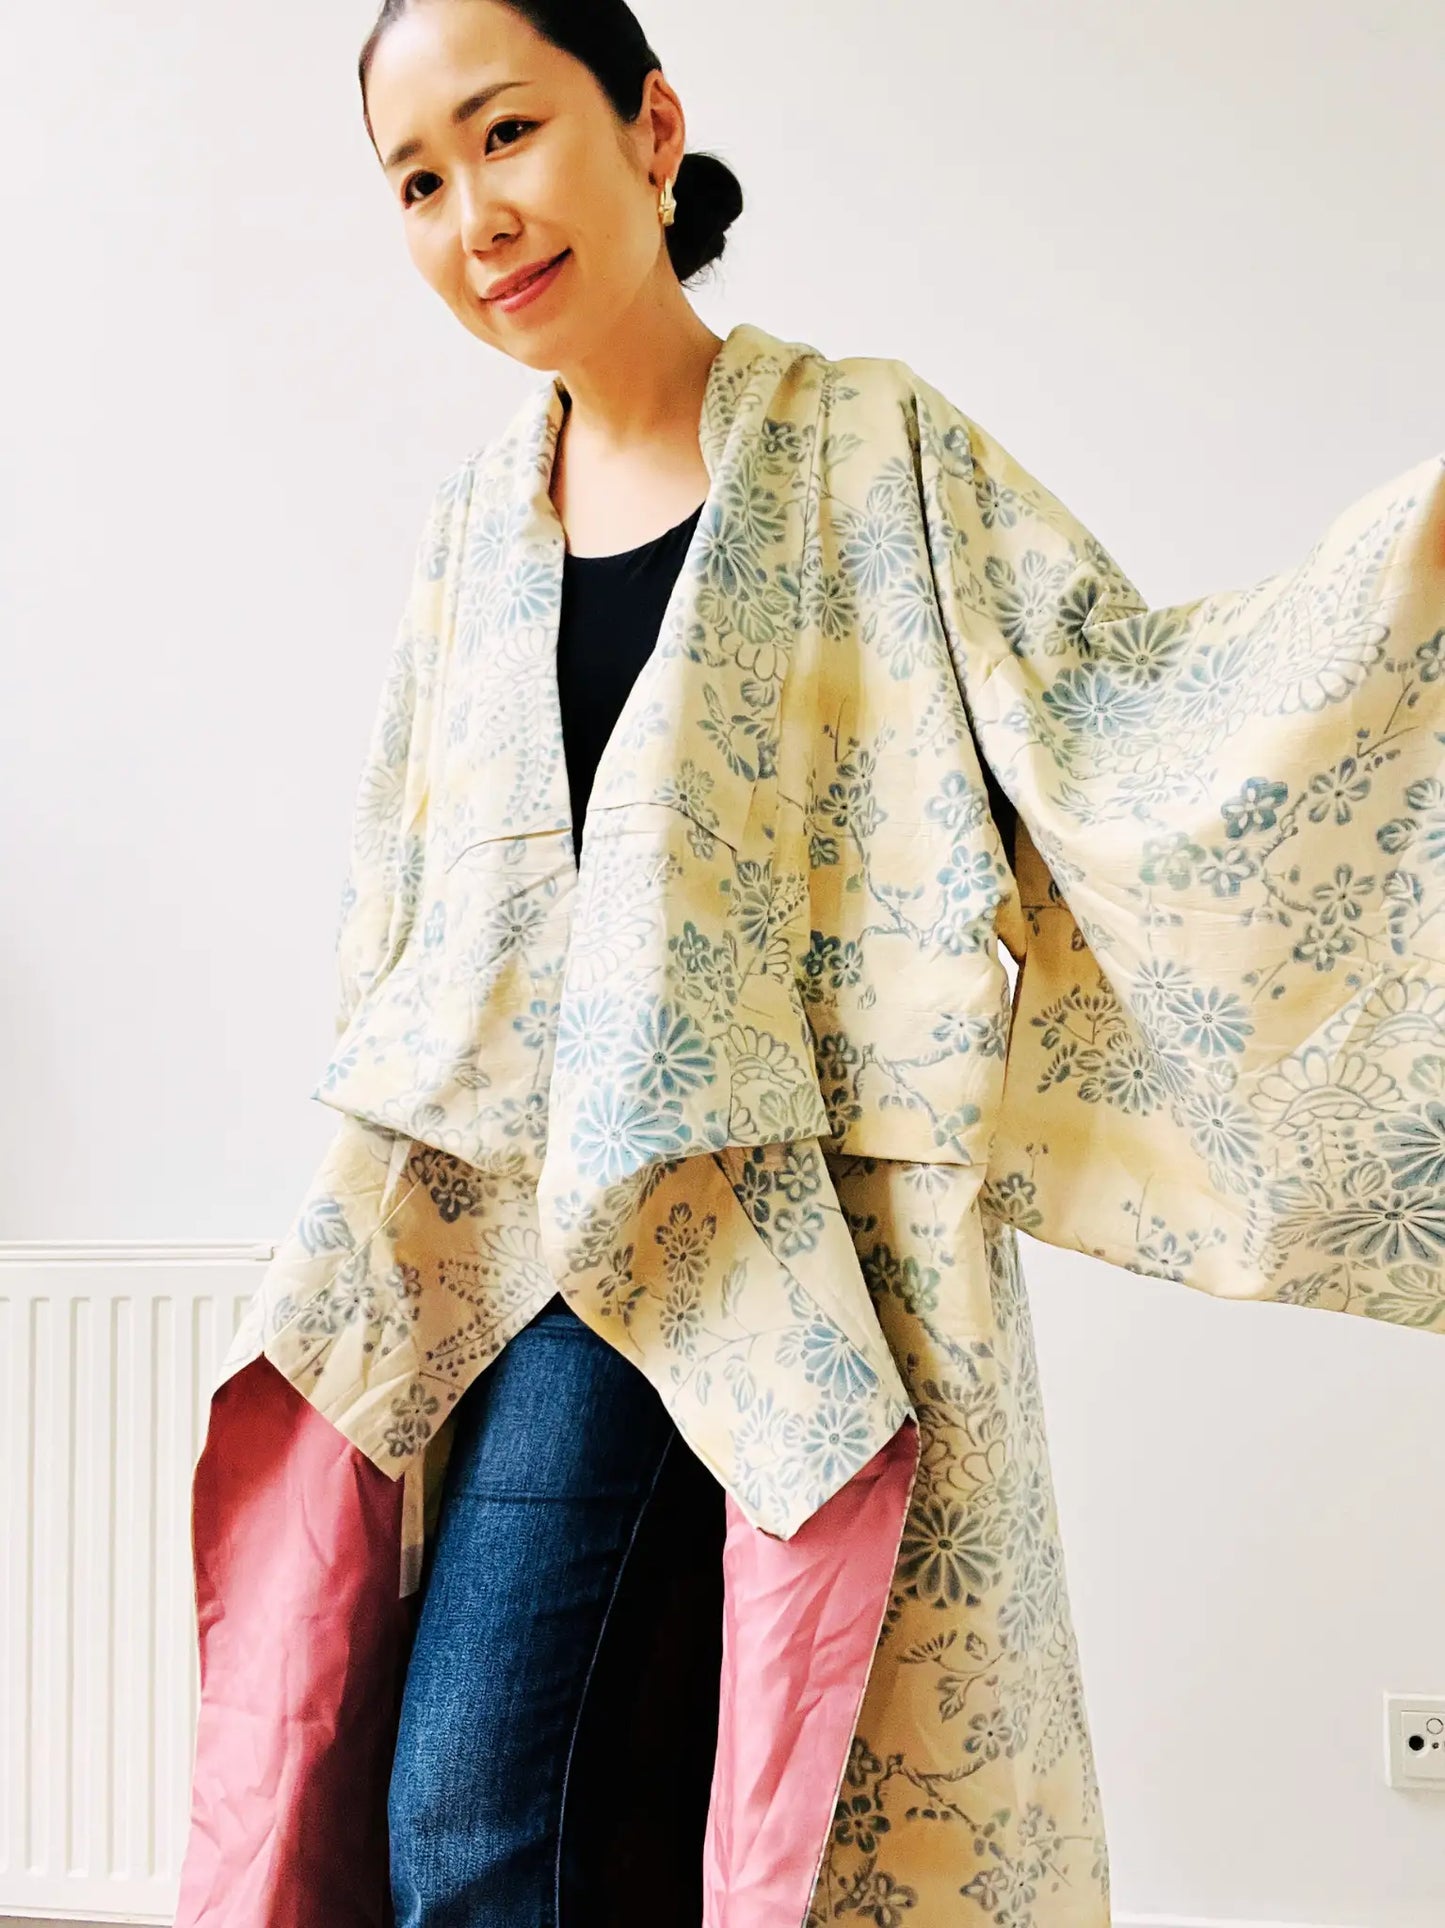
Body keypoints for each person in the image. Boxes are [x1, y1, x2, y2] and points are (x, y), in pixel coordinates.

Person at [174, 4, 1445, 1925]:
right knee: (574, 1812)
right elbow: (404, 922)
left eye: (504, 134)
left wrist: (1408, 564)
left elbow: (1123, 720)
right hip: (506, 1254)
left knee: (518, 1809)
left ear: (649, 127)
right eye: (415, 182)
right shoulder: (468, 538)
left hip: (785, 1249)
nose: (471, 215)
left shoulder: (867, 448)